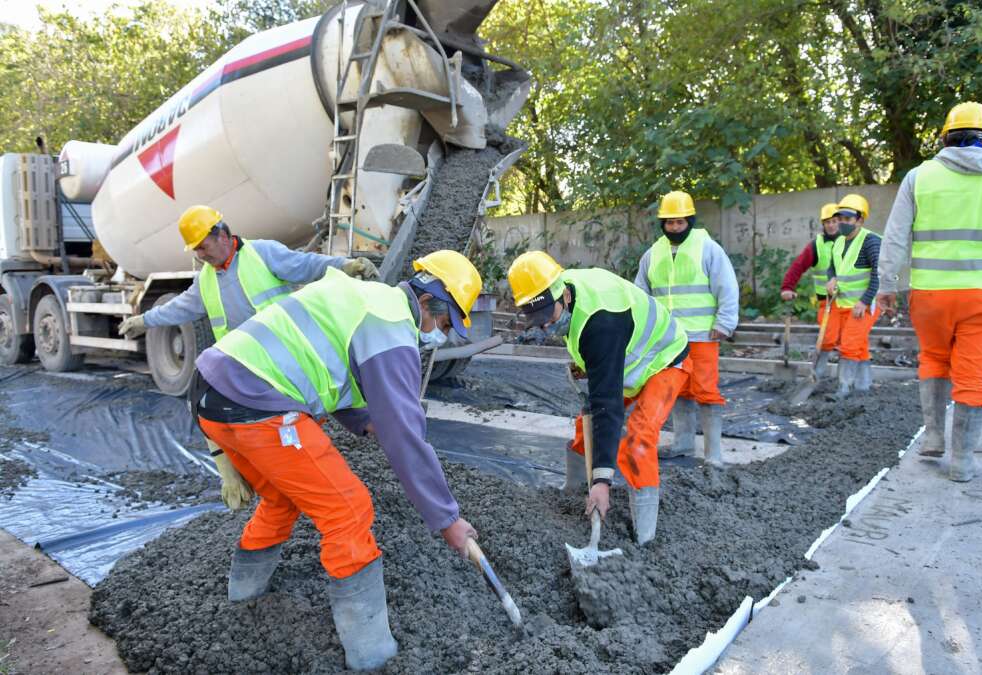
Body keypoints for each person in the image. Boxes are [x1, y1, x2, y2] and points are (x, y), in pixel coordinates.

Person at [190, 250, 480, 670]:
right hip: (257, 404)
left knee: (280, 500)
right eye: (447, 322)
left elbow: (330, 369)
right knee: (347, 510)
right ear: (427, 302)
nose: (443, 334)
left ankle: (243, 595)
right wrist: (447, 520)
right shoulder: (391, 326)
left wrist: (365, 422)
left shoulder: (364, 298)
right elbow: (405, 436)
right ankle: (371, 655)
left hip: (211, 393)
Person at [118, 205, 378, 511]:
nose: (201, 254)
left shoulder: (261, 254)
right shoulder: (206, 281)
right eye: (196, 249)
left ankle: (378, 434)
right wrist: (145, 320)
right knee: (265, 426)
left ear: (224, 235)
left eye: (204, 246)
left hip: (289, 358)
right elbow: (178, 308)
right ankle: (289, 488)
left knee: (333, 398)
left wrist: (345, 266)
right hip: (247, 369)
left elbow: (306, 265)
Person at [508, 250, 691, 545]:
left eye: (547, 317)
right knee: (586, 428)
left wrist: (603, 481)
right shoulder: (556, 288)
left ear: (564, 296)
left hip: (663, 360)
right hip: (625, 360)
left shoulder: (601, 322)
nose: (545, 327)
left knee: (638, 440)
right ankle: (573, 498)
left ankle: (645, 538)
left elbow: (608, 406)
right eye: (537, 320)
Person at [877, 102, 982, 482]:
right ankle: (962, 461)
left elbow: (895, 236)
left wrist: (887, 285)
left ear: (945, 136)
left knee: (934, 358)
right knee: (973, 374)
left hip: (931, 295)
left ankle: (933, 436)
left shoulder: (919, 177)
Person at [634, 190, 738, 465]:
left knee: (706, 391)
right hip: (669, 339)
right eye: (669, 222)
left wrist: (725, 323)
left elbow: (727, 286)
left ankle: (713, 455)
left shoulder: (708, 248)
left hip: (703, 335)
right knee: (678, 389)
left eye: (679, 222)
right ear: (662, 224)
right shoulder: (653, 254)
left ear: (689, 221)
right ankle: (683, 444)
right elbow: (640, 294)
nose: (674, 227)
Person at [823, 194, 882, 396]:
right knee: (860, 346)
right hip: (843, 304)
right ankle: (863, 387)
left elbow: (879, 273)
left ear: (860, 220)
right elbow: (833, 269)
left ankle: (843, 388)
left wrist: (864, 301)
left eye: (848, 219)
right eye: (840, 218)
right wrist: (831, 279)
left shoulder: (871, 241)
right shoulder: (838, 243)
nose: (842, 223)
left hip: (864, 305)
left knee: (848, 345)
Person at [780, 202, 841, 377]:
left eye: (834, 221)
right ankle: (817, 376)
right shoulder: (816, 246)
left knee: (850, 343)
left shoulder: (851, 242)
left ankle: (848, 382)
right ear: (823, 224)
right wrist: (787, 287)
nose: (831, 225)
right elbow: (797, 266)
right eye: (827, 222)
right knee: (826, 339)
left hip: (849, 302)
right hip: (826, 303)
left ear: (841, 222)